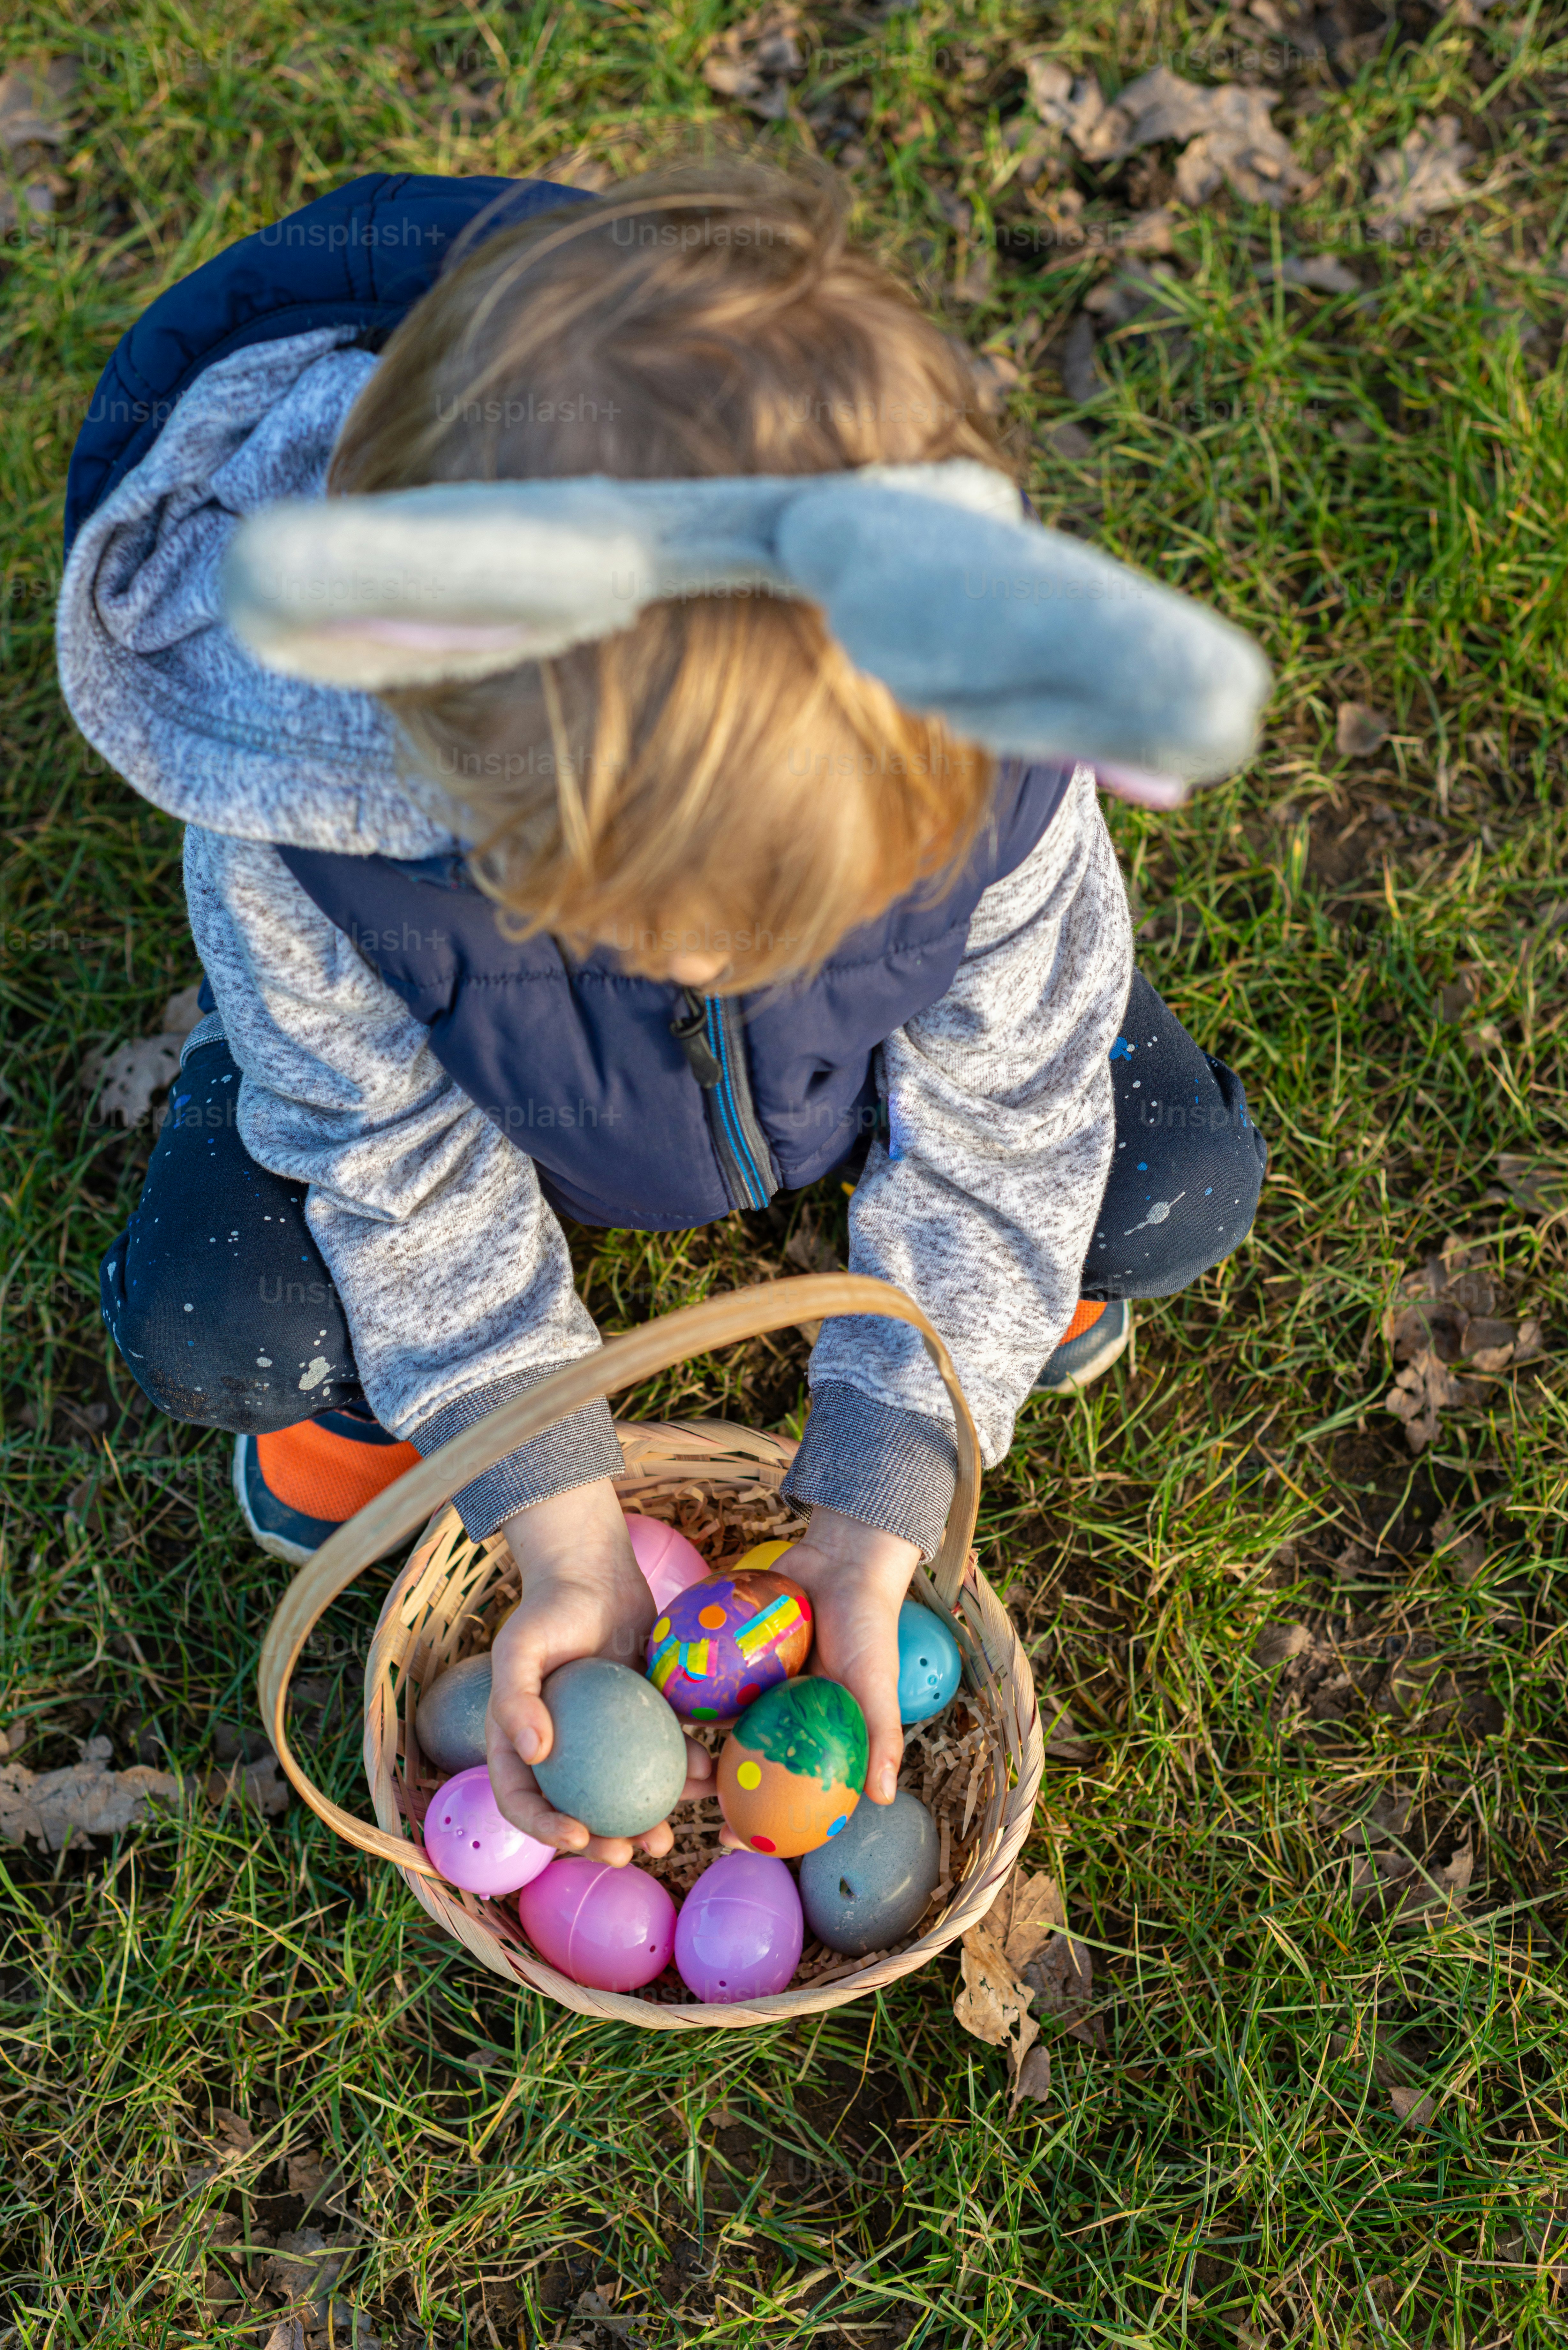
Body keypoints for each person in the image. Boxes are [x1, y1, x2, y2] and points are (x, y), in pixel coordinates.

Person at [57, 157, 1270, 1869]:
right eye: (660, 923)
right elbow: (388, 1153)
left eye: (792, 914)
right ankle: (367, 1390)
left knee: (1154, 1187)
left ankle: (983, 1289)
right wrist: (553, 1507)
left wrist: (883, 1481)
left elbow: (1010, 1109)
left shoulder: (979, 734)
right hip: (477, 1077)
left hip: (845, 1070)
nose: (709, 967)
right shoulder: (315, 804)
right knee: (222, 1318)